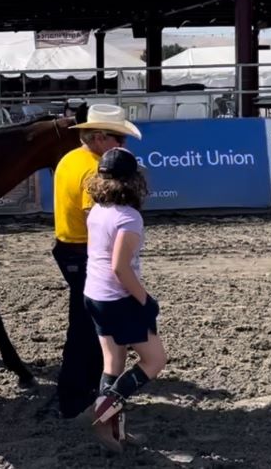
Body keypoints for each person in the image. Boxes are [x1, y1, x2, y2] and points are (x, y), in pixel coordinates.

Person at [52, 104, 142, 420]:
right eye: (120, 139)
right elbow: (101, 222)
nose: (124, 146)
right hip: (84, 253)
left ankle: (80, 395)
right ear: (102, 137)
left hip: (71, 249)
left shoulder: (71, 158)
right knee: (87, 331)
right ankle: (76, 400)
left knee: (87, 326)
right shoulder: (95, 170)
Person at [85, 147, 166, 452]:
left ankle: (114, 432)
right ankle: (101, 414)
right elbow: (120, 268)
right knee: (155, 360)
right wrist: (146, 300)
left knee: (114, 363)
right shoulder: (129, 217)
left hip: (94, 294)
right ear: (133, 180)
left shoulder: (97, 209)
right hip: (118, 298)